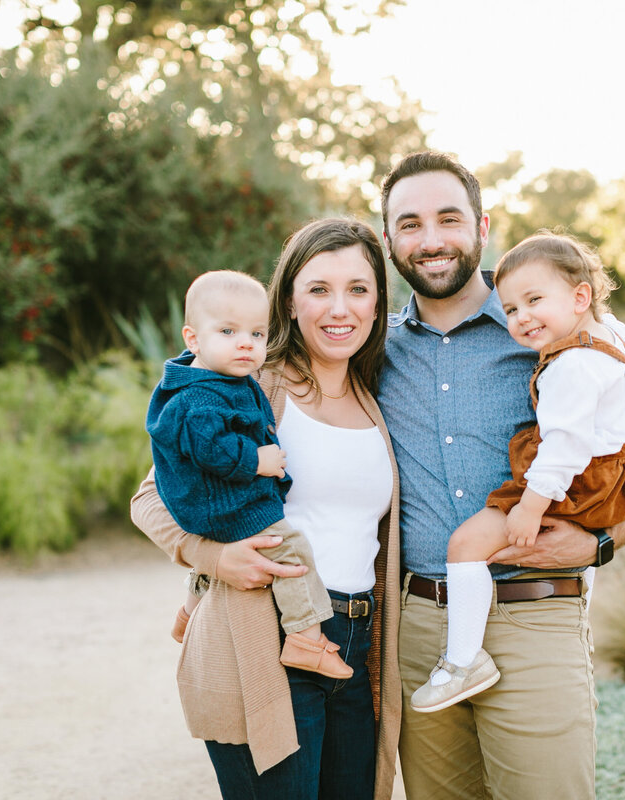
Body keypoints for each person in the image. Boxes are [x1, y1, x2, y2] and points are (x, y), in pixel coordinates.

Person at [376, 151, 625, 799]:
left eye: (448, 219)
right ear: (388, 239)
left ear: (482, 227)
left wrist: (599, 544)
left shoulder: (553, 333)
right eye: (409, 224)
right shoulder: (374, 349)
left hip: (534, 615)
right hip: (418, 628)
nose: (430, 240)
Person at [130, 218, 402, 799]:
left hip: (354, 644)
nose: (340, 308)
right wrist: (214, 556)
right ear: (289, 301)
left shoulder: (380, 396)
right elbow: (149, 497)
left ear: (379, 304)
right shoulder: (250, 385)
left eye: (358, 289)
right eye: (319, 289)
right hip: (263, 637)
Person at [409, 232, 625, 713]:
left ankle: (464, 661)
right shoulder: (612, 339)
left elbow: (564, 447)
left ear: (580, 296)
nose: (522, 317)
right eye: (510, 310)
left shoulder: (572, 366)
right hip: (617, 475)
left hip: (575, 480)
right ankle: (581, 592)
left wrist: (529, 507)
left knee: (466, 547)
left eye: (534, 301)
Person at [147, 269, 353, 679]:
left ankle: (188, 613)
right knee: (290, 550)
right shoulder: (201, 396)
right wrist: (257, 460)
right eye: (228, 331)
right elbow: (209, 448)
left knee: (240, 545)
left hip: (213, 505)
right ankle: (305, 639)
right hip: (221, 500)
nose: (246, 343)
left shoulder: (225, 381)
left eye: (257, 335)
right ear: (193, 339)